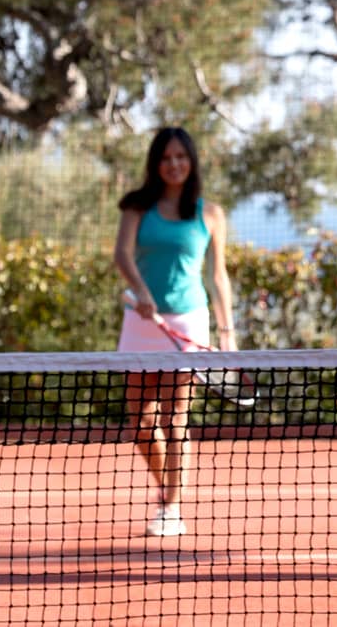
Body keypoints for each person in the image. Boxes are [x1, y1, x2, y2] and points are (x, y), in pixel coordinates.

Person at [113, 126, 237, 537]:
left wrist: (227, 331)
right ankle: (167, 486)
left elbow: (218, 277)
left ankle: (171, 505)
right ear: (156, 163)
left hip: (188, 323)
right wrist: (143, 294)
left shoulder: (211, 214)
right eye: (166, 158)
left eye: (181, 157)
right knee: (141, 424)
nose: (174, 164)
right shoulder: (136, 207)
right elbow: (122, 255)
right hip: (141, 325)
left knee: (176, 417)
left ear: (191, 161)